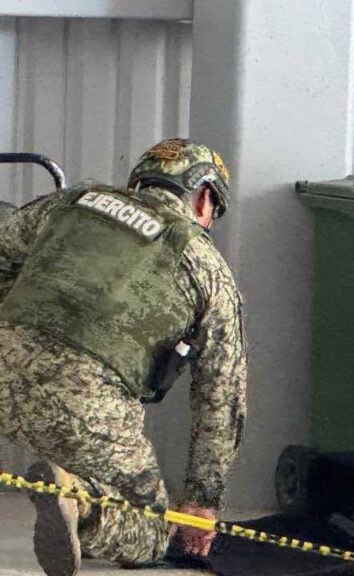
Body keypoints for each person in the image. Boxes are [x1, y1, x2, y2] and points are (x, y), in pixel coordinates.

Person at [0, 139, 248, 576]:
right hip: (85, 404)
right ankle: (79, 504)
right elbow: (221, 399)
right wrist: (201, 502)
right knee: (150, 527)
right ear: (204, 197)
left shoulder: (72, 200)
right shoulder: (208, 268)